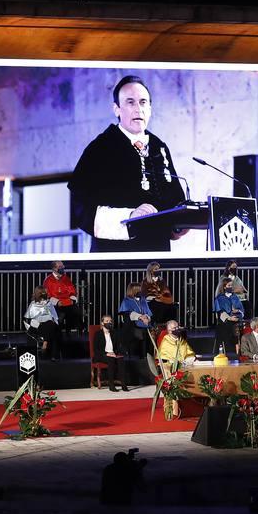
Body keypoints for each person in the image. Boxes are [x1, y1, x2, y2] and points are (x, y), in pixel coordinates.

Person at [69, 75, 187, 253]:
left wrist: (180, 222)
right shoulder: (100, 148)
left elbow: (175, 198)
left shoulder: (159, 147)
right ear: (116, 109)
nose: (138, 109)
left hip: (157, 254)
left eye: (143, 102)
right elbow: (80, 207)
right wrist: (130, 217)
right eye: (130, 102)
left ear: (150, 108)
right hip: (115, 256)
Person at [44, 261, 84, 335]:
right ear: (54, 268)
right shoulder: (48, 280)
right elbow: (48, 296)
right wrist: (57, 302)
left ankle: (78, 333)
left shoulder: (66, 278)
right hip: (56, 305)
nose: (63, 268)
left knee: (77, 312)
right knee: (60, 316)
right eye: (60, 267)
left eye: (63, 266)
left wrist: (72, 300)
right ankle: (57, 336)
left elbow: (72, 291)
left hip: (68, 302)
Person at [92, 315, 129, 392]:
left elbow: (118, 346)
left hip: (113, 353)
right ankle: (111, 385)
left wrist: (119, 353)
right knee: (111, 359)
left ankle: (123, 384)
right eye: (107, 321)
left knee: (121, 359)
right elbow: (96, 349)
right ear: (102, 323)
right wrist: (107, 354)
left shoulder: (114, 333)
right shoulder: (98, 334)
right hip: (101, 355)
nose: (109, 323)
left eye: (110, 321)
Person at [118, 282, 155, 356]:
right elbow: (126, 314)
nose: (141, 291)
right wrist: (140, 317)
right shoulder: (126, 301)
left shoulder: (143, 300)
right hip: (133, 327)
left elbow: (148, 312)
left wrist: (147, 318)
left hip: (145, 326)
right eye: (139, 289)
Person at [24, 287, 62, 360]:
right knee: (50, 327)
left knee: (51, 325)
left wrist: (54, 321)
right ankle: (47, 345)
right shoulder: (33, 304)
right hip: (37, 326)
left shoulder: (49, 303)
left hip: (49, 325)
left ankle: (45, 343)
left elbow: (55, 316)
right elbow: (29, 318)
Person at [213, 278, 246, 355]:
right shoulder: (219, 298)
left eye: (231, 285)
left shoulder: (235, 297)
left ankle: (239, 351)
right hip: (225, 320)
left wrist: (238, 312)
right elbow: (220, 311)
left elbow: (241, 309)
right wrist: (229, 318)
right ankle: (228, 351)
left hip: (236, 318)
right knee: (227, 327)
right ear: (224, 287)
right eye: (229, 285)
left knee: (239, 327)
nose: (230, 287)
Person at [141, 261, 178, 325]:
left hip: (161, 300)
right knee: (157, 306)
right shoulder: (145, 282)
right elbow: (144, 294)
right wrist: (154, 297)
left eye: (158, 269)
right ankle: (156, 326)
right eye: (156, 269)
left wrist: (162, 297)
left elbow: (166, 291)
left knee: (172, 307)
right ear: (151, 271)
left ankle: (171, 325)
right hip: (150, 302)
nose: (158, 271)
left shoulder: (161, 281)